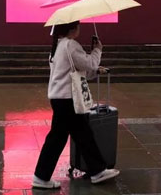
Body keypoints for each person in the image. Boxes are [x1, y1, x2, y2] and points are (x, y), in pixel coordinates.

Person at [32, 21, 119, 188]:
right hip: (67, 99)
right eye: (78, 26)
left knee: (79, 134)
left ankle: (96, 170)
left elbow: (78, 70)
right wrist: (97, 50)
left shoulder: (57, 46)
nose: (80, 28)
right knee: (63, 137)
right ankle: (41, 177)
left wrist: (93, 67)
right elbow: (89, 64)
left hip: (59, 98)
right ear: (72, 29)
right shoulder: (70, 45)